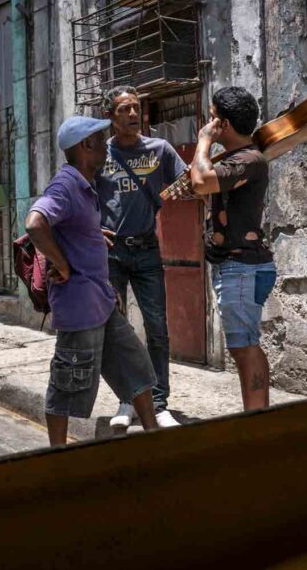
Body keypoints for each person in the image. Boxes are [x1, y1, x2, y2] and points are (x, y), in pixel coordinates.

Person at [25, 116, 160, 446]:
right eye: (101, 140)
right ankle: (58, 454)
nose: (106, 146)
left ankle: (155, 438)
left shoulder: (86, 186)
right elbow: (35, 223)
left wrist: (89, 235)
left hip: (101, 301)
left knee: (135, 367)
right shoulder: (67, 183)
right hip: (80, 307)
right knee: (69, 382)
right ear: (86, 146)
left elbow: (65, 225)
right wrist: (63, 265)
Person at [97, 85, 188, 429]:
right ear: (111, 117)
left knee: (157, 328)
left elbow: (188, 181)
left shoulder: (159, 150)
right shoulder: (99, 154)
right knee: (118, 331)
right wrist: (93, 230)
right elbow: (83, 198)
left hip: (147, 248)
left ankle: (160, 402)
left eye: (136, 108)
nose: (133, 115)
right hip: (111, 253)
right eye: (124, 110)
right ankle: (127, 401)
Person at [189, 87, 276, 410]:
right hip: (238, 267)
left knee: (244, 347)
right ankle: (257, 413)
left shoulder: (249, 159)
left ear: (223, 124)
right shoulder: (237, 160)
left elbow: (201, 182)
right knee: (246, 345)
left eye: (212, 117)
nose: (209, 123)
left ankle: (257, 419)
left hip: (243, 267)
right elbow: (205, 188)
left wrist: (203, 140)